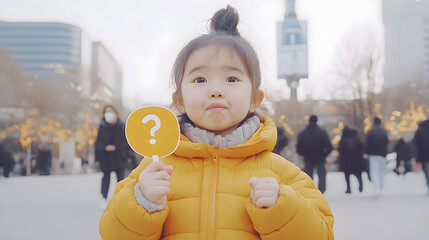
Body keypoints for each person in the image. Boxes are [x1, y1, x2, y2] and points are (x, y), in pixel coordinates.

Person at [99, 6, 334, 240]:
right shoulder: (154, 169)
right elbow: (112, 234)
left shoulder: (281, 172)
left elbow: (322, 234)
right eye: (199, 79)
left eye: (232, 78)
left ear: (255, 99)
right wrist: (142, 202)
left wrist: (283, 208)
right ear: (179, 100)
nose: (215, 90)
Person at [95, 105, 130, 208]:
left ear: (115, 113)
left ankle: (120, 200)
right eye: (106, 112)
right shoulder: (102, 126)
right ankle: (104, 198)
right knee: (106, 178)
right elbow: (97, 143)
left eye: (110, 111)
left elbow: (126, 142)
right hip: (105, 158)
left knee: (121, 179)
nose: (108, 114)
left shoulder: (122, 125)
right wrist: (105, 148)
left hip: (119, 157)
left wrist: (117, 147)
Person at [296, 115, 333, 193]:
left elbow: (298, 148)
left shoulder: (303, 133)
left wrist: (304, 153)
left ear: (309, 121)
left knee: (308, 176)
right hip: (320, 157)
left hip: (308, 158)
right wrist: (324, 154)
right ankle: (321, 191)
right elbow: (329, 146)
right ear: (316, 121)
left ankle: (310, 191)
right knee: (321, 175)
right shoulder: (322, 132)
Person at [365, 116, 389, 197]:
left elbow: (367, 144)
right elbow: (387, 142)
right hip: (383, 154)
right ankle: (380, 188)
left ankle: (377, 188)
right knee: (381, 172)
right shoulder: (384, 131)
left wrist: (367, 152)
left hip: (373, 155)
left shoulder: (371, 132)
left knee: (374, 172)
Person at [338, 126, 365, 194]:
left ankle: (348, 188)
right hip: (357, 159)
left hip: (346, 160)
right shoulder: (357, 138)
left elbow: (340, 149)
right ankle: (360, 185)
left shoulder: (343, 139)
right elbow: (362, 147)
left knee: (347, 175)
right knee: (358, 174)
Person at [413, 118, 429, 193]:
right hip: (424, 152)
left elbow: (415, 140)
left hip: (424, 152)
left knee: (426, 169)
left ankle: (428, 183)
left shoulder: (421, 127)